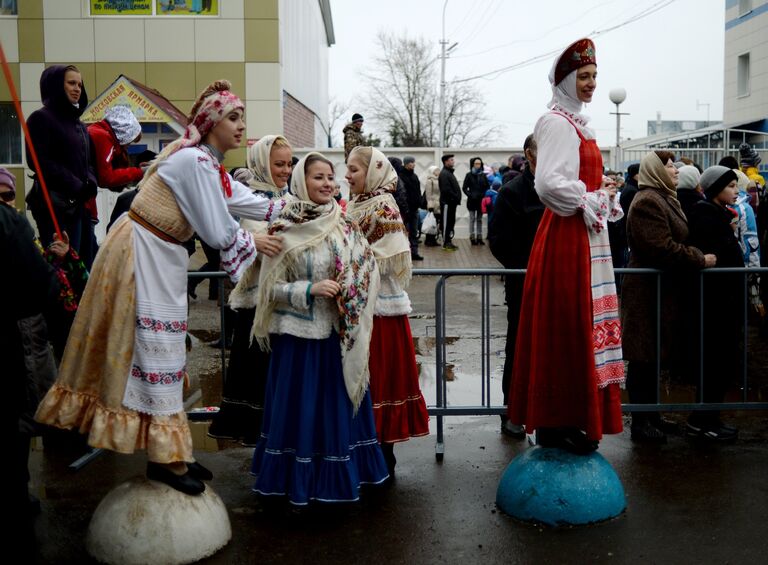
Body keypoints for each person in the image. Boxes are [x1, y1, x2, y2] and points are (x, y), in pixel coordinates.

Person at [36, 80, 282, 496]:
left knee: (165, 355)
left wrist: (296, 209)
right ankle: (165, 459)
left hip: (159, 255)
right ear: (210, 123)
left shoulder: (205, 163)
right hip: (141, 256)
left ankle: (173, 452)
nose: (242, 126)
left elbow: (244, 200)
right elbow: (218, 229)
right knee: (154, 352)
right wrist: (253, 241)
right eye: (233, 118)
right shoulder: (192, 162)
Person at [250, 153, 389, 505]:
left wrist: (353, 284)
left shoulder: (344, 224)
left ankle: (339, 477)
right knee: (304, 410)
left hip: (338, 338)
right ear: (301, 181)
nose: (327, 183)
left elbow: (366, 266)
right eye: (318, 177)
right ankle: (300, 482)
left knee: (333, 410)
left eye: (330, 177)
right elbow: (267, 288)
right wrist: (309, 290)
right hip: (299, 342)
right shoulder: (283, 227)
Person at [508, 38, 624, 454]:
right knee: (568, 325)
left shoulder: (578, 123)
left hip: (582, 237)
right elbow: (548, 184)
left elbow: (572, 184)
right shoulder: (556, 123)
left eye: (594, 76)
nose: (591, 83)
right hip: (566, 240)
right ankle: (557, 422)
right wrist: (590, 198)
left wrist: (598, 194)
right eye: (584, 77)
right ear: (566, 81)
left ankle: (574, 417)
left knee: (583, 326)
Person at [346, 146, 430, 480]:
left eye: (354, 169)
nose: (347, 174)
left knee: (379, 379)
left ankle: (383, 455)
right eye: (347, 168)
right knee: (364, 380)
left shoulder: (383, 203)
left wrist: (350, 265)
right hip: (358, 305)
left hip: (381, 309)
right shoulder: (354, 203)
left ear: (373, 171)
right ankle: (368, 451)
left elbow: (392, 255)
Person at [620, 151, 715, 443]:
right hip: (646, 291)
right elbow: (661, 247)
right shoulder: (649, 200)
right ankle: (641, 422)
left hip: (658, 290)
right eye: (670, 166)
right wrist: (700, 258)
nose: (676, 170)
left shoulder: (663, 197)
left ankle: (652, 416)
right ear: (656, 171)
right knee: (642, 357)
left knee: (652, 356)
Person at [208, 135, 291, 446]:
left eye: (289, 163)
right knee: (258, 379)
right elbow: (256, 241)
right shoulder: (253, 198)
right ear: (261, 164)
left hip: (281, 302)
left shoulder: (284, 195)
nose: (286, 170)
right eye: (279, 164)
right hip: (257, 305)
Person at [488, 134, 543, 439]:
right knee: (519, 345)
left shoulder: (559, 189)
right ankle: (512, 408)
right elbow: (498, 241)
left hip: (557, 285)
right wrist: (526, 266)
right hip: (524, 282)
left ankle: (551, 413)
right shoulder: (513, 192)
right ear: (529, 154)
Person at [685, 166, 744, 441]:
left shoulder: (718, 214)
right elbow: (717, 255)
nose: (736, 191)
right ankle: (702, 420)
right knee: (714, 362)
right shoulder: (705, 214)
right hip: (715, 302)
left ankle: (710, 417)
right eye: (731, 185)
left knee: (720, 363)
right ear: (716, 188)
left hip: (723, 300)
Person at [25, 65, 98, 260]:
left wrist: (90, 182)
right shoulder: (41, 118)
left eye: (80, 84)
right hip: (55, 207)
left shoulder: (80, 125)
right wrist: (76, 185)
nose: (77, 89)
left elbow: (89, 161)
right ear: (57, 85)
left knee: (85, 265)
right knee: (63, 269)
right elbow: (39, 161)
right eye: (71, 83)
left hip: (80, 207)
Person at [462, 157, 491, 245]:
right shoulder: (469, 175)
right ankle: (472, 237)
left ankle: (479, 237)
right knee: (472, 219)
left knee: (479, 219)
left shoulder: (483, 175)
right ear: (473, 165)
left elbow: (487, 187)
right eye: (476, 164)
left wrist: (484, 194)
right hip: (472, 201)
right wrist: (470, 195)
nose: (478, 165)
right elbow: (464, 188)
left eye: (479, 163)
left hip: (480, 201)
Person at [401, 155, 424, 260]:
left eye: (414, 162)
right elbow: (403, 193)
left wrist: (419, 202)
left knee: (414, 232)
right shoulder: (401, 176)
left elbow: (418, 191)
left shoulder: (414, 176)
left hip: (414, 209)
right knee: (405, 232)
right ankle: (405, 253)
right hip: (406, 210)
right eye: (411, 162)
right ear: (406, 164)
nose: (413, 164)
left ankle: (414, 252)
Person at [439, 153, 461, 251]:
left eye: (453, 160)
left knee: (450, 223)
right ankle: (446, 242)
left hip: (452, 204)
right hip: (447, 203)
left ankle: (449, 241)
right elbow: (446, 190)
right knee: (446, 223)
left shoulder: (449, 173)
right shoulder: (444, 173)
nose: (453, 161)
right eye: (451, 160)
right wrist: (454, 197)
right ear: (446, 162)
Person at [423, 165, 441, 247]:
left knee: (436, 223)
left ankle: (433, 239)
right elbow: (428, 194)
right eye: (436, 170)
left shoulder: (439, 179)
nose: (438, 172)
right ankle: (428, 240)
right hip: (433, 205)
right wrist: (430, 205)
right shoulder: (430, 180)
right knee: (431, 222)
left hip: (439, 204)